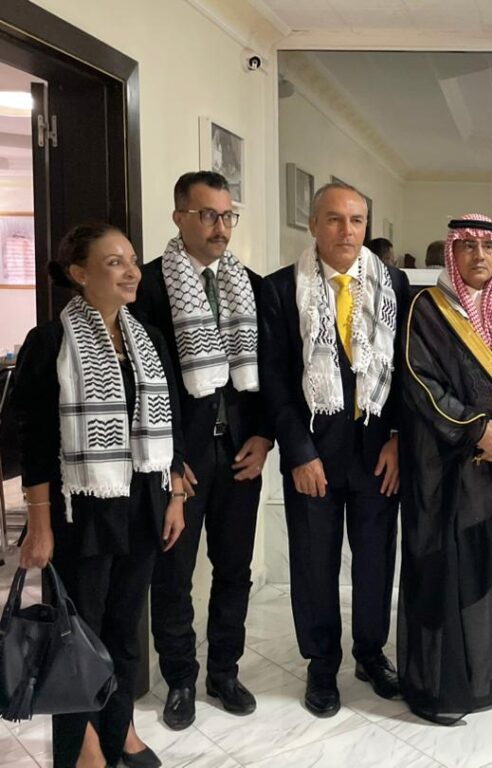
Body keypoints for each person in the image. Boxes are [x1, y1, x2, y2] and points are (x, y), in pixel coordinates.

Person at [15, 223, 186, 768]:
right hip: (81, 508)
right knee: (77, 630)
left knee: (125, 626)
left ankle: (121, 727)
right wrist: (39, 523)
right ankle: (82, 743)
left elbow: (171, 424)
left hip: (142, 502)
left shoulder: (148, 340)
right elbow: (33, 441)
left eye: (132, 260)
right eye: (115, 263)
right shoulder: (50, 342)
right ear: (80, 273)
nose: (132, 272)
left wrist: (175, 496)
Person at [259, 181, 410, 717]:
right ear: (313, 225)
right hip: (314, 456)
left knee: (376, 561)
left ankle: (370, 654)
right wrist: (298, 452)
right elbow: (275, 379)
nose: (347, 231)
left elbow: (406, 371)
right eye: (334, 219)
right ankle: (321, 665)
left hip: (377, 454)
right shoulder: (280, 289)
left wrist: (397, 438)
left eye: (356, 220)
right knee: (313, 564)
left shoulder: (393, 283)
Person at [130, 171, 272, 729]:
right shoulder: (148, 287)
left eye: (227, 215)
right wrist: (169, 460)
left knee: (234, 568)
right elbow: (144, 384)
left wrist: (264, 436)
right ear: (179, 218)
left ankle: (224, 673)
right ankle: (181, 680)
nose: (220, 227)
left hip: (240, 452)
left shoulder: (250, 285)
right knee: (174, 573)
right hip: (181, 459)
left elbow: (272, 373)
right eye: (208, 214)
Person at [398, 214, 492, 723]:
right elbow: (420, 382)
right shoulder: (427, 307)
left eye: (488, 246)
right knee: (455, 573)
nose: (479, 255)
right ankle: (448, 687)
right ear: (452, 252)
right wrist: (477, 430)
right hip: (452, 466)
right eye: (467, 246)